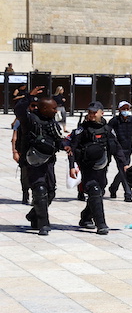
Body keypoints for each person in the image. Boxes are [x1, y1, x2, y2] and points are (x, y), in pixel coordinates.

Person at [16, 87, 71, 236]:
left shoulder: (51, 122)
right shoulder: (30, 120)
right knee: (39, 190)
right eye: (53, 108)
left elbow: (57, 139)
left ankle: (34, 215)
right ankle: (43, 224)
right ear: (44, 108)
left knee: (50, 192)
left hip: (48, 161)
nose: (55, 111)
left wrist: (65, 145)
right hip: (33, 161)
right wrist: (28, 97)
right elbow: (19, 110)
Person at [69, 101, 128, 236]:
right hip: (87, 167)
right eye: (89, 112)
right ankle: (101, 224)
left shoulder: (107, 130)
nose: (92, 115)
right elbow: (72, 148)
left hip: (102, 167)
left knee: (99, 191)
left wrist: (124, 164)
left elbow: (117, 148)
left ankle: (85, 217)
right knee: (94, 190)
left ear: (102, 113)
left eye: (95, 112)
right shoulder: (82, 130)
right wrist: (72, 166)